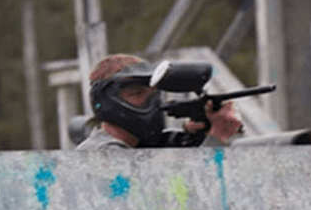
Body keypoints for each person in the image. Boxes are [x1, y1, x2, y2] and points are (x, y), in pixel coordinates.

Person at [76, 54, 244, 150]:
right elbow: (171, 200)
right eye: (136, 93)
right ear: (105, 100)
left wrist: (196, 135)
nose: (151, 101)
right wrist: (217, 138)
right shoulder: (102, 152)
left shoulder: (138, 147)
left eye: (155, 93)